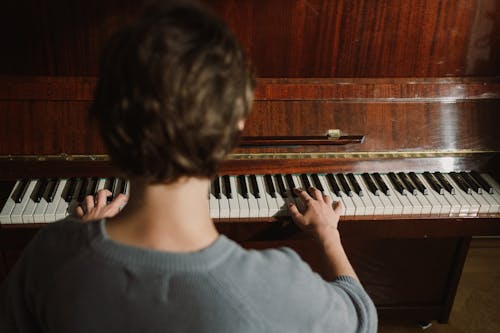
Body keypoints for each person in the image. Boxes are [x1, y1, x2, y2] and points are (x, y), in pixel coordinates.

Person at [0, 0, 377, 332]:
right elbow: (362, 318)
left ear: (103, 123)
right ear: (236, 126)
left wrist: (81, 235)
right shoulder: (278, 286)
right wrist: (328, 235)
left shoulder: (51, 254)